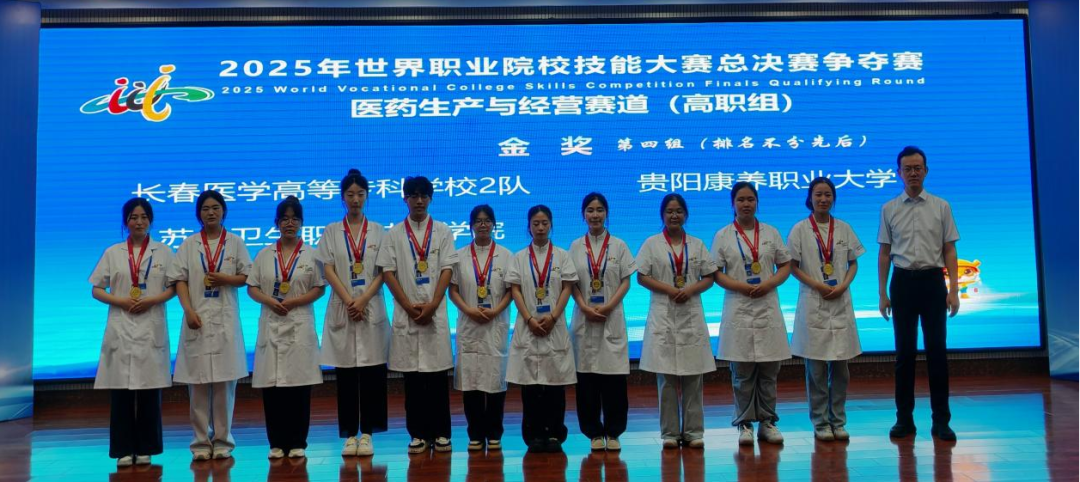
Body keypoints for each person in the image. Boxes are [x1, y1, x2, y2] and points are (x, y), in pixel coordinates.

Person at [878, 146, 961, 441]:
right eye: (907, 169)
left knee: (937, 352)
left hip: (932, 282)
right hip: (902, 283)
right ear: (898, 173)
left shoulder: (941, 206)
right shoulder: (889, 208)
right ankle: (904, 420)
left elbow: (949, 249)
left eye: (917, 168)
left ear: (926, 171)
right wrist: (882, 293)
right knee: (904, 354)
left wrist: (954, 290)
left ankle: (941, 421)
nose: (913, 173)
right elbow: (885, 253)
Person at [90, 198, 175, 467]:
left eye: (144, 217)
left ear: (151, 220)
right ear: (125, 221)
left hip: (150, 324)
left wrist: (152, 300)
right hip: (121, 325)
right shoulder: (113, 252)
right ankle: (123, 449)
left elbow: (174, 287)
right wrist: (121, 301)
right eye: (133, 217)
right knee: (121, 394)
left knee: (149, 392)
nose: (139, 222)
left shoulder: (164, 252)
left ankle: (147, 447)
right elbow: (96, 289)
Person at [375, 176, 458, 454]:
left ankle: (442, 433)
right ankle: (418, 434)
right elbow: (388, 273)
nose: (419, 200)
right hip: (407, 314)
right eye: (413, 195)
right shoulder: (394, 234)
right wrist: (409, 307)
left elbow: (447, 269)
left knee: (437, 379)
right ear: (405, 199)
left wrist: (433, 305)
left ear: (431, 198)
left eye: (424, 195)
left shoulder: (443, 231)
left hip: (434, 314)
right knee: (412, 381)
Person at [168, 190, 251, 461]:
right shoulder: (189, 244)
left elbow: (247, 276)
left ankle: (223, 440)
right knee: (198, 386)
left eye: (216, 207)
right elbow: (179, 280)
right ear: (199, 214)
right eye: (205, 208)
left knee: (225, 385)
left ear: (223, 211)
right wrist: (188, 310)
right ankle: (201, 442)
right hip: (197, 320)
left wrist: (225, 279)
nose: (211, 212)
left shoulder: (235, 242)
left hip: (225, 320)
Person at [316, 169, 389, 457]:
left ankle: (368, 433)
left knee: (372, 375)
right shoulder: (332, 230)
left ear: (367, 196)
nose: (355, 199)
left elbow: (384, 271)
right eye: (350, 194)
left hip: (370, 306)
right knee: (345, 377)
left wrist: (364, 299)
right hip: (344, 307)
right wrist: (350, 300)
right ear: (342, 198)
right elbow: (328, 269)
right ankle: (349, 435)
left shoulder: (379, 231)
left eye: (360, 194)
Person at [713, 182, 792, 447]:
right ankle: (744, 423)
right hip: (739, 306)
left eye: (750, 199)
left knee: (769, 371)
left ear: (757, 202)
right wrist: (740, 286)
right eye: (741, 199)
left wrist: (770, 283)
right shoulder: (723, 235)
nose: (746, 204)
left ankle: (768, 422)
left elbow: (785, 265)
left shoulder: (770, 232)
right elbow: (716, 273)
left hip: (767, 305)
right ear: (733, 204)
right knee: (742, 373)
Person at [247, 196, 326, 459]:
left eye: (294, 219)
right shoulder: (264, 254)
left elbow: (319, 288)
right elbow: (252, 287)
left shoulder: (312, 254)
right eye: (284, 219)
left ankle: (298, 442)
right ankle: (276, 443)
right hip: (272, 322)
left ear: (301, 223)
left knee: (299, 388)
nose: (289, 223)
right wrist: (270, 301)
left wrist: (294, 302)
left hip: (299, 323)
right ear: (277, 223)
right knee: (272, 388)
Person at [636, 194, 717, 450]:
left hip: (690, 313)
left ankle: (693, 431)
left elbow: (709, 277)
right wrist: (669, 290)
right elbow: (641, 276)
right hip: (664, 313)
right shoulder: (652, 244)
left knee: (694, 377)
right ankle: (670, 433)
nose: (674, 215)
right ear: (662, 214)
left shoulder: (697, 244)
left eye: (679, 211)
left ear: (686, 215)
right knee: (667, 379)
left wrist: (690, 289)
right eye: (670, 211)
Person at [788, 177, 865, 441]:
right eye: (818, 194)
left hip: (840, 300)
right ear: (810, 198)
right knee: (816, 371)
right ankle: (820, 422)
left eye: (828, 194)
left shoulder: (843, 228)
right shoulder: (799, 229)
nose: (823, 199)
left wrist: (844, 284)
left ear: (833, 198)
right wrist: (817, 285)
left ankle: (838, 421)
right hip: (814, 301)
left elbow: (853, 262)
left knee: (841, 369)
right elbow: (792, 266)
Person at [506, 205, 578, 453]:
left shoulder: (562, 256)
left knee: (556, 385)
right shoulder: (518, 257)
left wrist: (554, 316)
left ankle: (555, 433)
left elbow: (568, 287)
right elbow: (515, 290)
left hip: (553, 326)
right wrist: (529, 319)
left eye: (544, 223)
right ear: (528, 227)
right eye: (535, 223)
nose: (540, 228)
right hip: (529, 326)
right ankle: (534, 435)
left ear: (551, 225)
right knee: (531, 387)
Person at [568, 193, 636, 451]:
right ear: (583, 215)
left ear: (606, 213)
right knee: (587, 382)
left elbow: (626, 281)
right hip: (584, 318)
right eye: (590, 210)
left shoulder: (619, 245)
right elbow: (571, 283)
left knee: (614, 382)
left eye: (599, 210)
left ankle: (614, 432)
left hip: (611, 317)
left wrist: (608, 306)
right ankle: (594, 433)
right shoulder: (575, 246)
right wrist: (584, 306)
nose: (595, 215)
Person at [448, 205, 513, 452]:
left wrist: (495, 311)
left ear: (494, 224)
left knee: (495, 380)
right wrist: (469, 310)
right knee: (471, 382)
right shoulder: (459, 255)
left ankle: (495, 432)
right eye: (478, 221)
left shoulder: (506, 255)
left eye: (487, 220)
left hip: (495, 324)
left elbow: (511, 291)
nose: (483, 225)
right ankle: (475, 434)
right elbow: (453, 290)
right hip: (470, 324)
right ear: (471, 225)